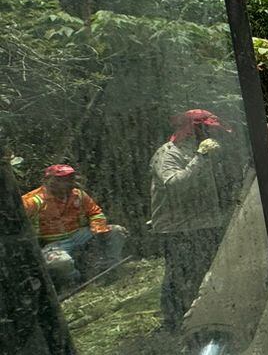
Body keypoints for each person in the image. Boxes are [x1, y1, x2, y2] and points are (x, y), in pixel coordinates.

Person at [149, 109, 235, 328]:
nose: (212, 135)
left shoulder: (206, 151)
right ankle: (173, 322)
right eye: (207, 130)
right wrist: (201, 157)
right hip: (177, 228)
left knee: (207, 271)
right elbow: (175, 184)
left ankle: (203, 317)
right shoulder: (168, 153)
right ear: (194, 129)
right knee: (178, 276)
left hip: (206, 222)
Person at [22, 164, 127, 292]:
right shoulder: (34, 200)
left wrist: (98, 227)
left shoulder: (78, 195)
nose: (67, 183)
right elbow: (16, 219)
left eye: (70, 178)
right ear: (49, 181)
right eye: (61, 179)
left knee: (116, 231)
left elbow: (95, 212)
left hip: (78, 235)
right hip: (52, 244)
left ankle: (109, 269)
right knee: (59, 262)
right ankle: (75, 282)